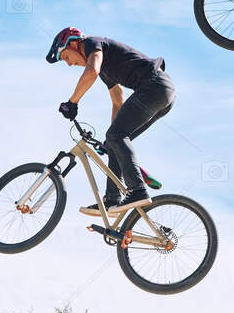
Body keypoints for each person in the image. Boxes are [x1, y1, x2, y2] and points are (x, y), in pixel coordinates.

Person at [46, 27, 174, 218]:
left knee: (116, 136)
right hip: (161, 95)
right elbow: (117, 100)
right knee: (115, 140)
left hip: (154, 86)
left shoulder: (91, 44)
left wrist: (72, 102)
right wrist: (111, 139)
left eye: (65, 57)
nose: (69, 64)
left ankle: (137, 190)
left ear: (73, 44)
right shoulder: (105, 68)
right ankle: (111, 200)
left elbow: (91, 72)